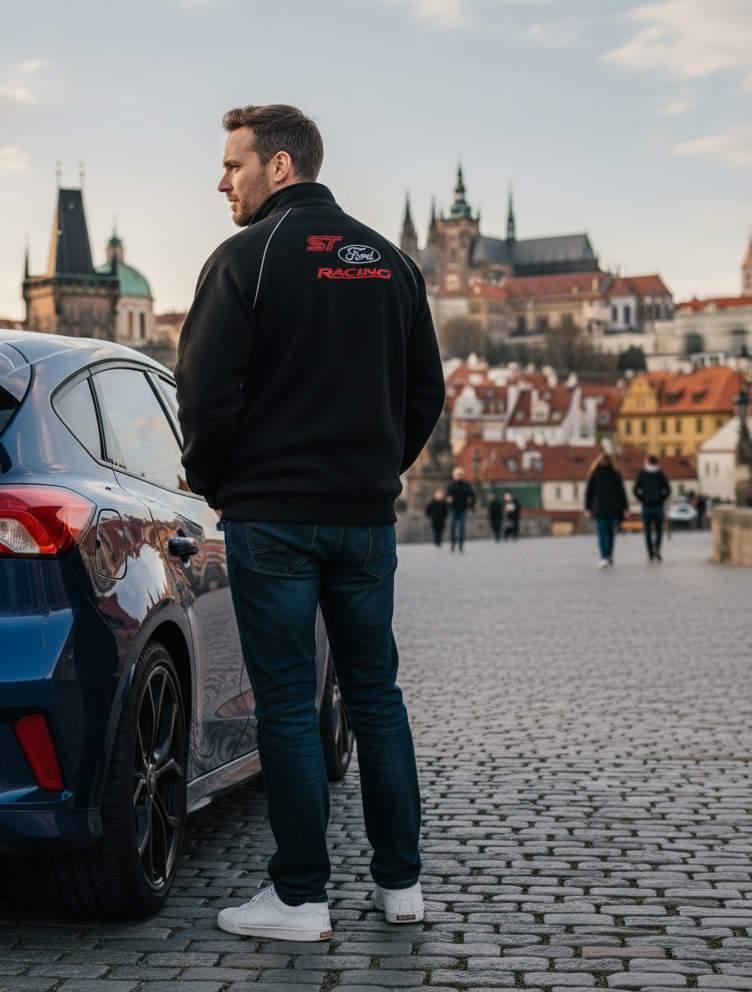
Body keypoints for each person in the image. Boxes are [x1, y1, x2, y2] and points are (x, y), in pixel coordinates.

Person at [175, 104, 444, 941]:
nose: (222, 180)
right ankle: (402, 888)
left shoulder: (245, 259)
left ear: (280, 168)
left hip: (275, 517)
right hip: (364, 520)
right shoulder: (392, 262)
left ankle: (300, 897)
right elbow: (425, 392)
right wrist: (374, 474)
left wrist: (220, 484)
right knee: (377, 697)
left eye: (233, 164)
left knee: (288, 705)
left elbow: (204, 394)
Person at [584, 452, 628, 567]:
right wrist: (624, 507)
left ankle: (604, 557)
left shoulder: (594, 474)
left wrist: (588, 508)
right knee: (610, 533)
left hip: (599, 508)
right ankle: (609, 556)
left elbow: (589, 493)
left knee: (602, 533)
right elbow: (621, 493)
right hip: (613, 508)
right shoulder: (615, 474)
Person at [633, 454, 670, 562]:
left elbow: (635, 490)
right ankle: (657, 550)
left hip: (647, 506)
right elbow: (667, 489)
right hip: (658, 506)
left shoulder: (642, 474)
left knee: (648, 531)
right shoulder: (660, 474)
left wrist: (642, 498)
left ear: (647, 462)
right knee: (659, 530)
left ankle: (650, 554)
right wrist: (661, 498)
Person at [445, 467, 475, 552]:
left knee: (462, 527)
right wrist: (448, 501)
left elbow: (471, 495)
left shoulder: (466, 485)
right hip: (453, 508)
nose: (457, 476)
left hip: (462, 508)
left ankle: (461, 545)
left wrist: (470, 502)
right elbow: (447, 497)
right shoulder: (450, 485)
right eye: (455, 475)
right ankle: (452, 544)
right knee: (452, 527)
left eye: (458, 475)